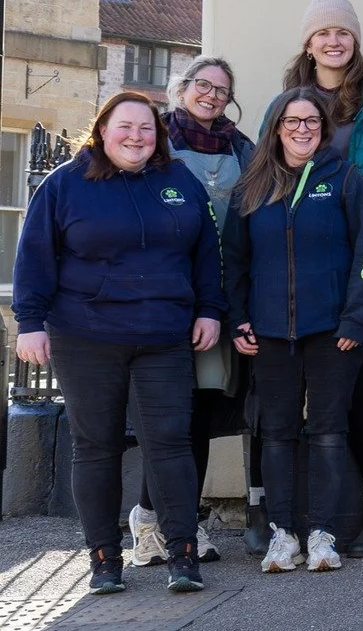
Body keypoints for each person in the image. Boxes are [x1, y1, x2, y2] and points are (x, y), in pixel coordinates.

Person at [11, 93, 226, 595]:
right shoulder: (65, 183)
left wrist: (210, 309)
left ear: (159, 135)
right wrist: (30, 322)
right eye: (125, 126)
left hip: (163, 336)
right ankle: (105, 559)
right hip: (85, 335)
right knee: (96, 446)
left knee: (170, 443)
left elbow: (207, 253)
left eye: (146, 128)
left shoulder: (180, 182)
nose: (136, 137)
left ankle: (182, 554)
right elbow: (34, 254)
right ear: (102, 130)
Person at [223, 88, 363, 575]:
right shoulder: (252, 187)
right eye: (292, 121)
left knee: (329, 431)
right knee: (276, 433)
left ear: (324, 128)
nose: (302, 129)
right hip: (270, 333)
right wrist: (238, 318)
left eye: (311, 121)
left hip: (333, 331)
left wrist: (356, 318)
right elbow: (234, 260)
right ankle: (283, 535)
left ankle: (322, 535)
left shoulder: (348, 179)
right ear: (276, 128)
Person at [284, 0, 363, 556]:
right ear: (309, 44)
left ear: (355, 42)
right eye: (323, 33)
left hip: (361, 270)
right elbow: (267, 179)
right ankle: (300, 516)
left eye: (343, 32)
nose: (333, 41)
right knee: (294, 398)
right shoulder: (289, 101)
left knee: (354, 393)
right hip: (299, 276)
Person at [131, 58, 254, 568]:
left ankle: (184, 520)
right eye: (202, 84)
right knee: (165, 417)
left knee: (199, 413)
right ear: (181, 89)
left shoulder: (242, 149)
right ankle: (147, 521)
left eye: (222, 89)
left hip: (215, 300)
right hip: (163, 297)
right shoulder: (153, 142)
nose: (211, 95)